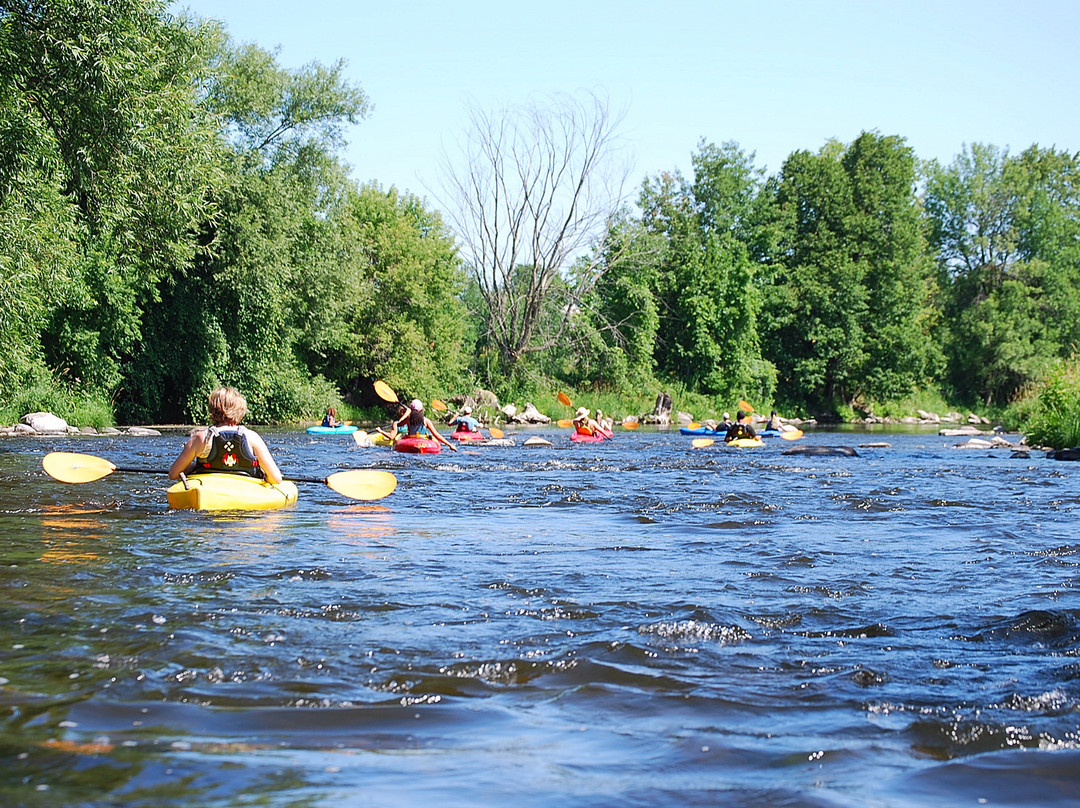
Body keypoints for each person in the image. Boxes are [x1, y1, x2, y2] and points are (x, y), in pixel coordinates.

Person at [169, 387, 283, 484]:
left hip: (209, 488)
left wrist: (194, 467)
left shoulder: (200, 437)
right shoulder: (252, 437)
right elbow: (276, 479)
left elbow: (174, 474)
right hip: (244, 488)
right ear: (240, 411)